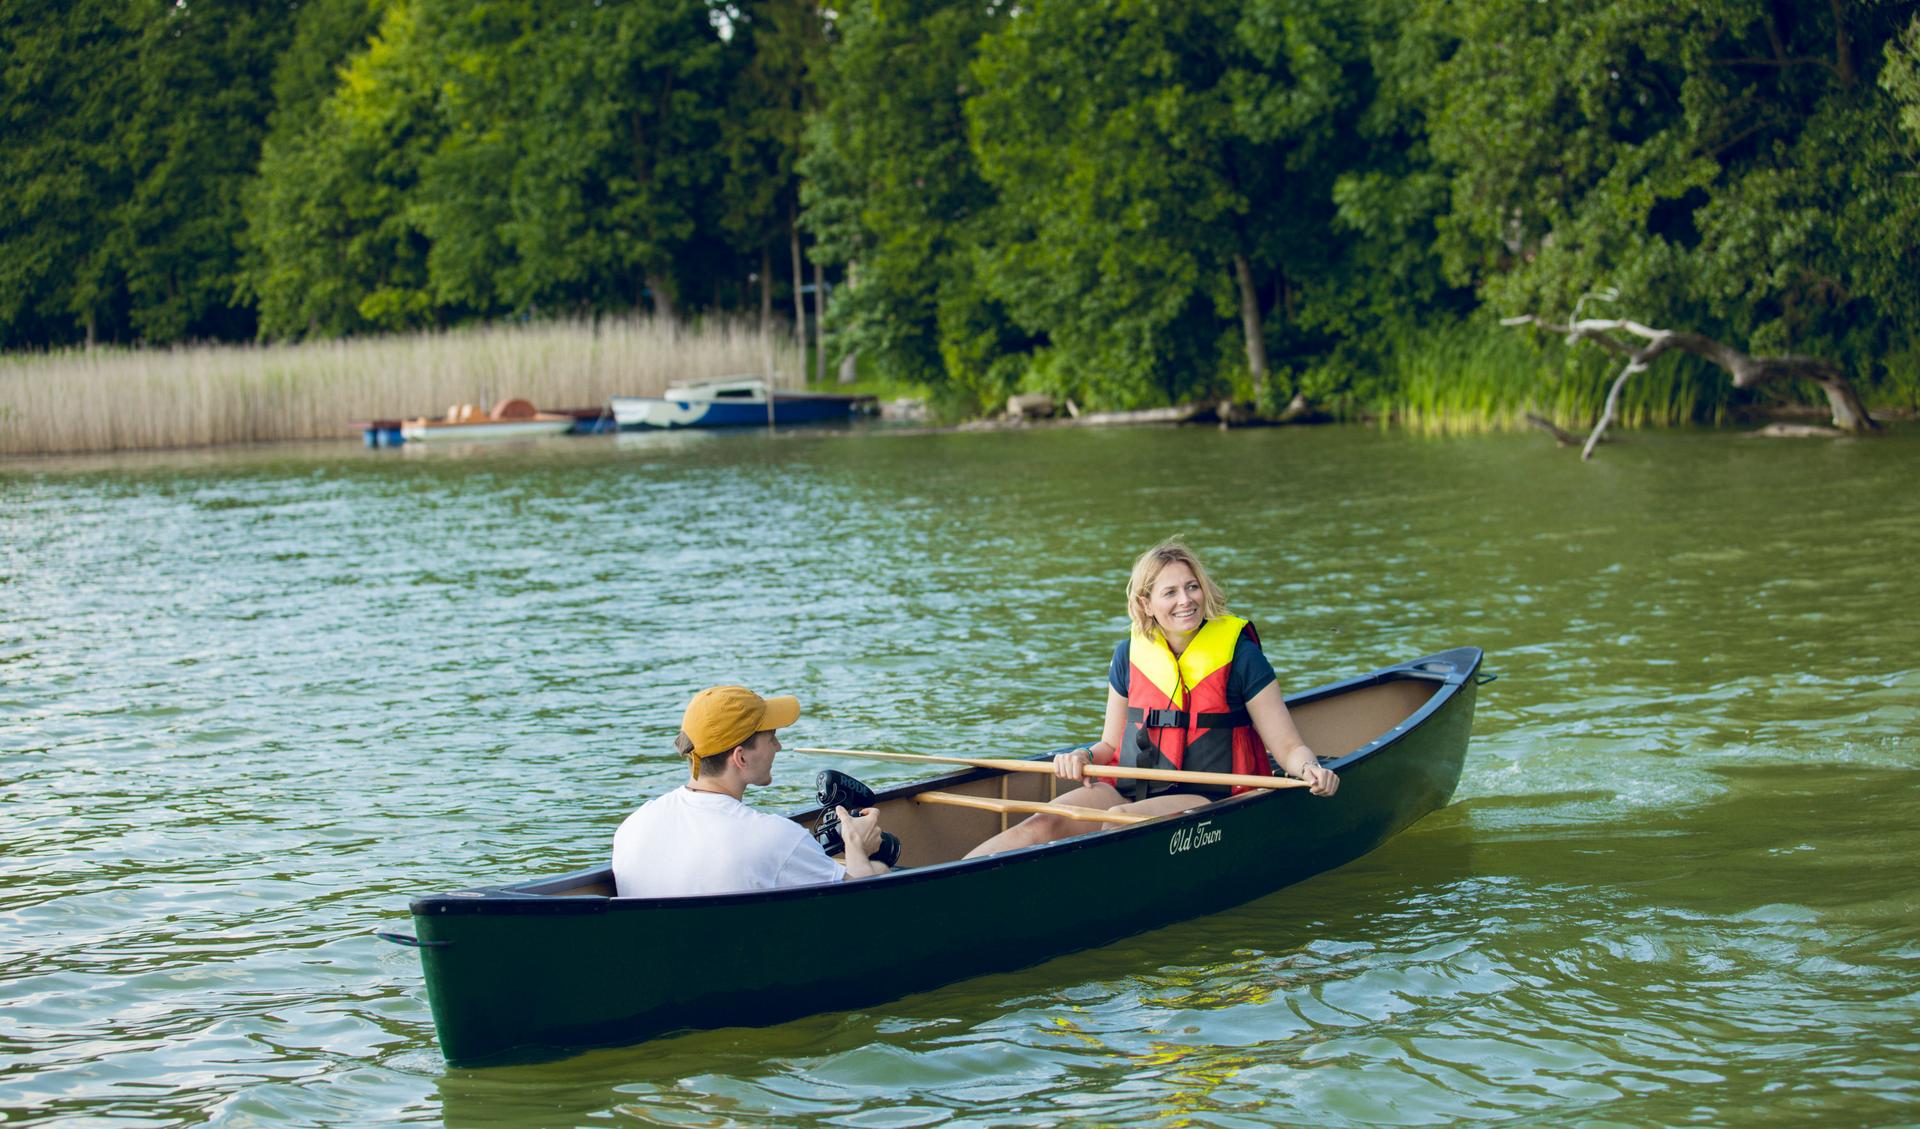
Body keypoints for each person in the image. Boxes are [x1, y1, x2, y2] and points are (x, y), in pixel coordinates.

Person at [965, 539, 1338, 858]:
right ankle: (953, 877)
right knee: (1043, 822)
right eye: (1170, 592)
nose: (1186, 601)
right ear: (1146, 603)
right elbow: (1110, 745)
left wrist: (1310, 771)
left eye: (1192, 587)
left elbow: (1288, 746)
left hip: (1212, 798)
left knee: (1120, 826)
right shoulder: (1128, 656)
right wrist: (1081, 756)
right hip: (1131, 789)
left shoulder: (1242, 657)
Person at [613, 685, 891, 897]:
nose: (778, 747)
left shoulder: (633, 826)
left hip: (670, 964)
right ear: (741, 758)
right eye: (771, 738)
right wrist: (856, 844)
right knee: (880, 871)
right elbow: (863, 906)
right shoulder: (776, 838)